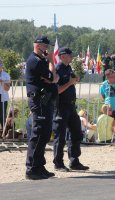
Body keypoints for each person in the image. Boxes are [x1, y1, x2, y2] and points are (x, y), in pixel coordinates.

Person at [25, 35, 59, 180]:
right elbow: (53, 78)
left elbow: (53, 78)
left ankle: (39, 166)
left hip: (45, 100)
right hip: (38, 100)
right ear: (38, 46)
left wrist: (51, 77)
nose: (47, 49)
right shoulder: (35, 60)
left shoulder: (41, 61)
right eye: (45, 46)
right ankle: (31, 168)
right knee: (38, 133)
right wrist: (51, 61)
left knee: (45, 133)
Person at [52, 47, 89, 172]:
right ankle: (58, 163)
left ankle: (74, 160)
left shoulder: (68, 68)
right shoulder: (57, 69)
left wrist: (75, 79)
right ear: (62, 56)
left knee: (76, 133)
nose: (71, 57)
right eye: (69, 54)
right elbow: (56, 90)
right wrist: (70, 83)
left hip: (71, 106)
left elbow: (73, 80)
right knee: (60, 136)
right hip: (61, 106)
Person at [0, 59, 11, 132]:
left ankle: (4, 132)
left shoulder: (6, 75)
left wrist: (2, 82)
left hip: (3, 97)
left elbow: (7, 88)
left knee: (2, 115)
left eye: (0, 64)